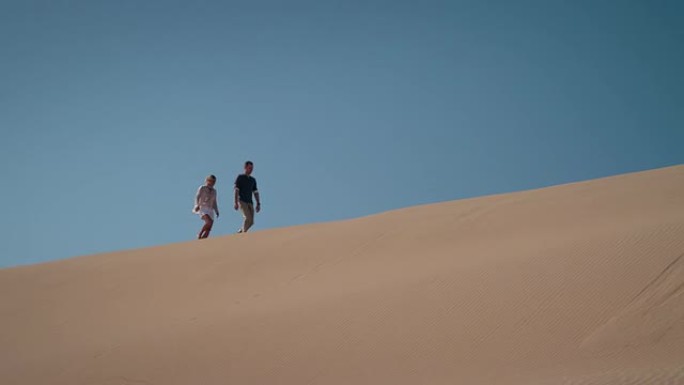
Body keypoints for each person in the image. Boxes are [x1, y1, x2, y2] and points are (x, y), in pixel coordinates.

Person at [234, 161, 261, 233]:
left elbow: (255, 192)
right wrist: (236, 202)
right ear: (245, 168)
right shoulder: (240, 177)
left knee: (251, 221)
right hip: (242, 200)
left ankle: (241, 231)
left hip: (250, 202)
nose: (251, 170)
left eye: (252, 168)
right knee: (247, 218)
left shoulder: (253, 180)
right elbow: (236, 190)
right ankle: (244, 234)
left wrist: (258, 203)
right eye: (249, 168)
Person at [193, 175, 219, 239]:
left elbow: (214, 201)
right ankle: (200, 233)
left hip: (210, 209)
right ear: (207, 180)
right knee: (208, 222)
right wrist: (196, 205)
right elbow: (197, 197)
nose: (212, 183)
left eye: (214, 181)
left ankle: (203, 240)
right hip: (203, 207)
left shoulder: (214, 191)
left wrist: (216, 210)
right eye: (211, 181)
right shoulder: (202, 188)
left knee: (209, 228)